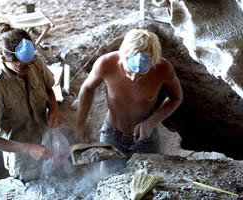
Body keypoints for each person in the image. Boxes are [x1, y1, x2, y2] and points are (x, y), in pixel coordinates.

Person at [76, 29, 183, 171]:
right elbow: (87, 88)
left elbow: (176, 98)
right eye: (129, 71)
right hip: (112, 135)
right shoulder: (106, 64)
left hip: (147, 138)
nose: (134, 78)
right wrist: (80, 122)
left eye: (141, 74)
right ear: (123, 56)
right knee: (108, 180)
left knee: (150, 181)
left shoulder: (163, 69)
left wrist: (152, 122)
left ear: (153, 63)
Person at [0, 22, 63, 181]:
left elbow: (49, 89)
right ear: (4, 59)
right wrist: (28, 149)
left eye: (30, 63)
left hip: (46, 140)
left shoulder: (35, 62)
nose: (29, 69)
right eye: (22, 66)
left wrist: (53, 109)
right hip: (22, 158)